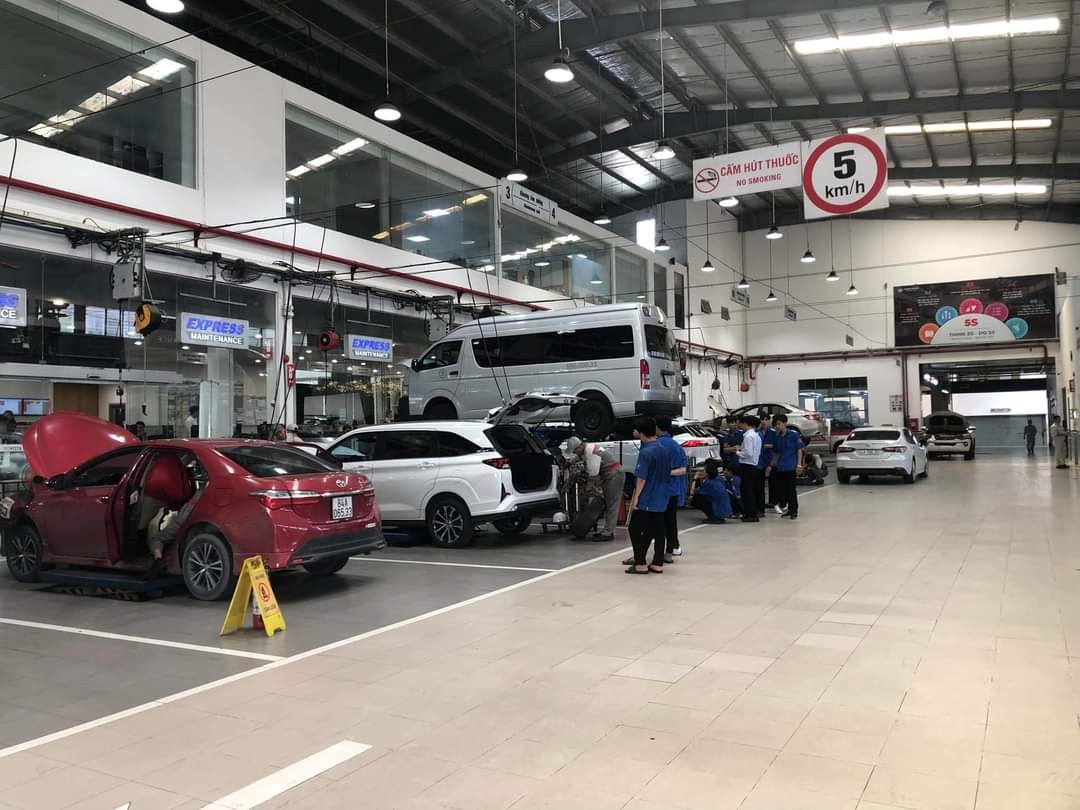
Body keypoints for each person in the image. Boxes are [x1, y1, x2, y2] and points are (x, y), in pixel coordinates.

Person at [624, 417, 670, 574]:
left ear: (642, 433)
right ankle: (657, 562)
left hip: (648, 495)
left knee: (634, 528)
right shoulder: (663, 449)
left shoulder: (645, 452)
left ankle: (640, 563)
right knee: (658, 528)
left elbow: (641, 478)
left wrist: (636, 497)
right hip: (663, 494)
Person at [566, 437, 625, 541]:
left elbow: (592, 478)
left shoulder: (591, 452)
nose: (574, 453)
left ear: (580, 446)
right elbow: (580, 457)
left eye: (575, 450)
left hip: (613, 475)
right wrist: (570, 462)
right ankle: (607, 530)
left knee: (611, 504)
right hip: (610, 474)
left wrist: (586, 492)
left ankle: (608, 533)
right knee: (608, 503)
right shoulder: (587, 448)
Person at [656, 416, 689, 562]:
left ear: (657, 427)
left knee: (658, 522)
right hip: (673, 489)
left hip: (658, 490)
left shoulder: (656, 445)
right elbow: (683, 469)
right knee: (671, 521)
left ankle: (660, 552)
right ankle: (673, 547)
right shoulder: (676, 446)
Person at [769, 415, 805, 520]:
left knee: (791, 490)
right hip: (781, 467)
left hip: (791, 466)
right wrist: (771, 466)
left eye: (779, 424)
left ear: (785, 423)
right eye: (775, 425)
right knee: (782, 490)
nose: (777, 426)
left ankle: (794, 510)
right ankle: (788, 509)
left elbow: (799, 449)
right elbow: (776, 453)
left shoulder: (793, 434)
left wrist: (799, 464)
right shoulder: (777, 437)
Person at [729, 415, 761, 522]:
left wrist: (737, 452)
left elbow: (748, 453)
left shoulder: (748, 437)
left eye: (740, 423)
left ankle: (750, 514)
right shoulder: (756, 436)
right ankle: (751, 513)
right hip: (753, 465)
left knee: (747, 491)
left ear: (745, 424)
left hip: (747, 465)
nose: (739, 425)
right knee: (750, 490)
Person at [756, 417, 778, 516]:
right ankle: (761, 505)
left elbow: (777, 446)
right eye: (762, 419)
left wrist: (770, 446)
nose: (763, 421)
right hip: (760, 461)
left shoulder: (773, 433)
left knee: (773, 483)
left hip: (771, 460)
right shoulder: (757, 432)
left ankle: (774, 502)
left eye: (766, 419)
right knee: (760, 485)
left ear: (769, 421)